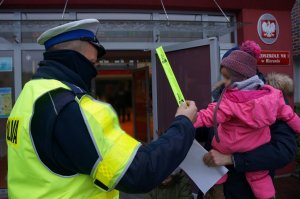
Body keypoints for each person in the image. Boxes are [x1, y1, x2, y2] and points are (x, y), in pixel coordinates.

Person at [6, 19, 198, 199]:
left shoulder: (29, 95)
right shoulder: (72, 109)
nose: (94, 71)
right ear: (75, 60)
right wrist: (183, 123)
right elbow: (139, 172)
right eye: (91, 63)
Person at [194, 41, 300, 199]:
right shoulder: (223, 95)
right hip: (216, 188)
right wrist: (186, 125)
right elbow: (208, 129)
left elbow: (284, 150)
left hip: (245, 192)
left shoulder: (270, 99)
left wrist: (233, 159)